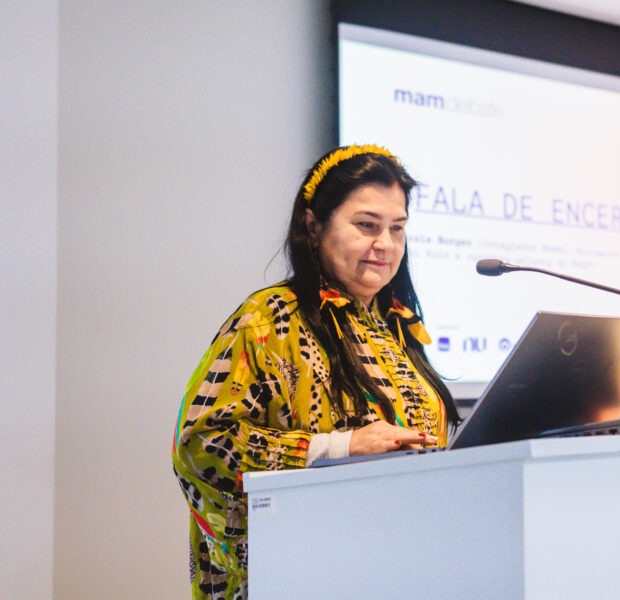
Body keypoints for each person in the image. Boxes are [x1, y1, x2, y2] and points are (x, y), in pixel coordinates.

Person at [171, 144, 460, 599]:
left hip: (396, 571)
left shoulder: (397, 329)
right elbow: (201, 442)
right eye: (367, 226)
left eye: (397, 229)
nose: (385, 244)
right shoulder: (267, 320)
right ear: (314, 225)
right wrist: (340, 446)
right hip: (299, 576)